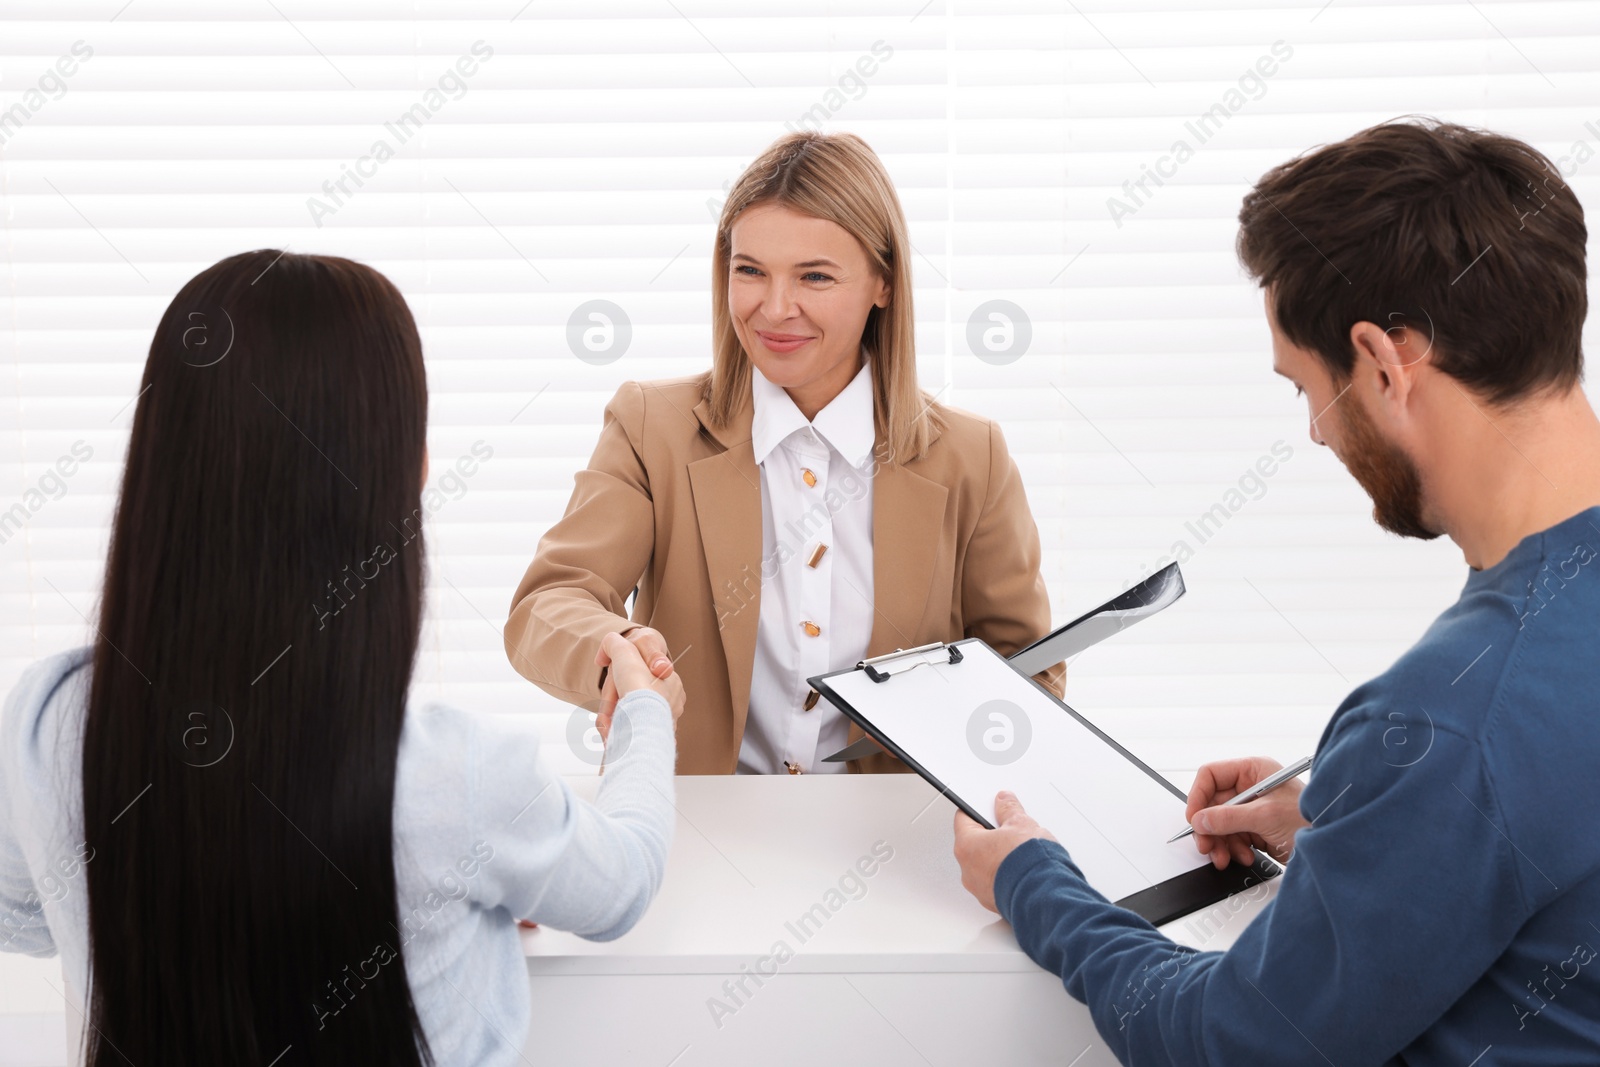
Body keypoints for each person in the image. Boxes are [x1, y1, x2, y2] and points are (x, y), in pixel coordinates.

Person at [953, 118, 1600, 1063]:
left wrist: (1035, 882)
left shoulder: (1455, 719)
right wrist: (1363, 824)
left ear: (1383, 364)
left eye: (1306, 389)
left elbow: (1232, 1043)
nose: (1317, 435)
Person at [0, 250, 683, 1067]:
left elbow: (20, 910)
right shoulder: (459, 777)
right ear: (404, 472)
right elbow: (621, 884)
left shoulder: (49, 722)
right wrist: (643, 710)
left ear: (162, 458)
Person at [504, 130, 1064, 775]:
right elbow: (549, 602)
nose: (773, 309)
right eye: (750, 271)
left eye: (815, 277)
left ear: (883, 283)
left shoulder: (972, 456)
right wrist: (617, 648)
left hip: (895, 844)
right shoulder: (651, 427)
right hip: (694, 835)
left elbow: (1028, 670)